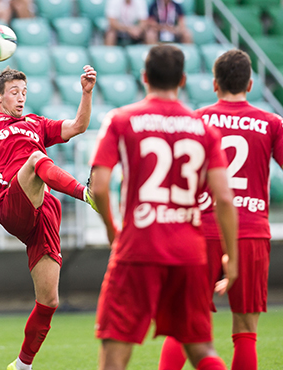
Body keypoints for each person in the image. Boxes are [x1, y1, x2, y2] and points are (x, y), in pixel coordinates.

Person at [158, 50, 283, 370]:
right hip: (250, 232)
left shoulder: (197, 119)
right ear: (249, 84)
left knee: (184, 323)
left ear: (215, 85)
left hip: (200, 230)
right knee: (245, 331)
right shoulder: (271, 122)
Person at [89, 44, 238, 370]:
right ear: (182, 79)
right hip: (189, 251)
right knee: (202, 349)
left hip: (138, 248)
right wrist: (232, 257)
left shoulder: (121, 119)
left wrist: (112, 231)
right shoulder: (204, 129)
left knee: (115, 353)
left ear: (144, 77)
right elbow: (225, 198)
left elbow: (98, 186)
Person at [0, 65, 99, 370]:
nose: (21, 98)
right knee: (37, 158)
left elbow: (79, 125)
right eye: (14, 92)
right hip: (12, 198)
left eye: (24, 92)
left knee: (49, 301)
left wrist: (86, 92)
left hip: (44, 212)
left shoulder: (36, 123)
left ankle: (22, 365)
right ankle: (87, 194)